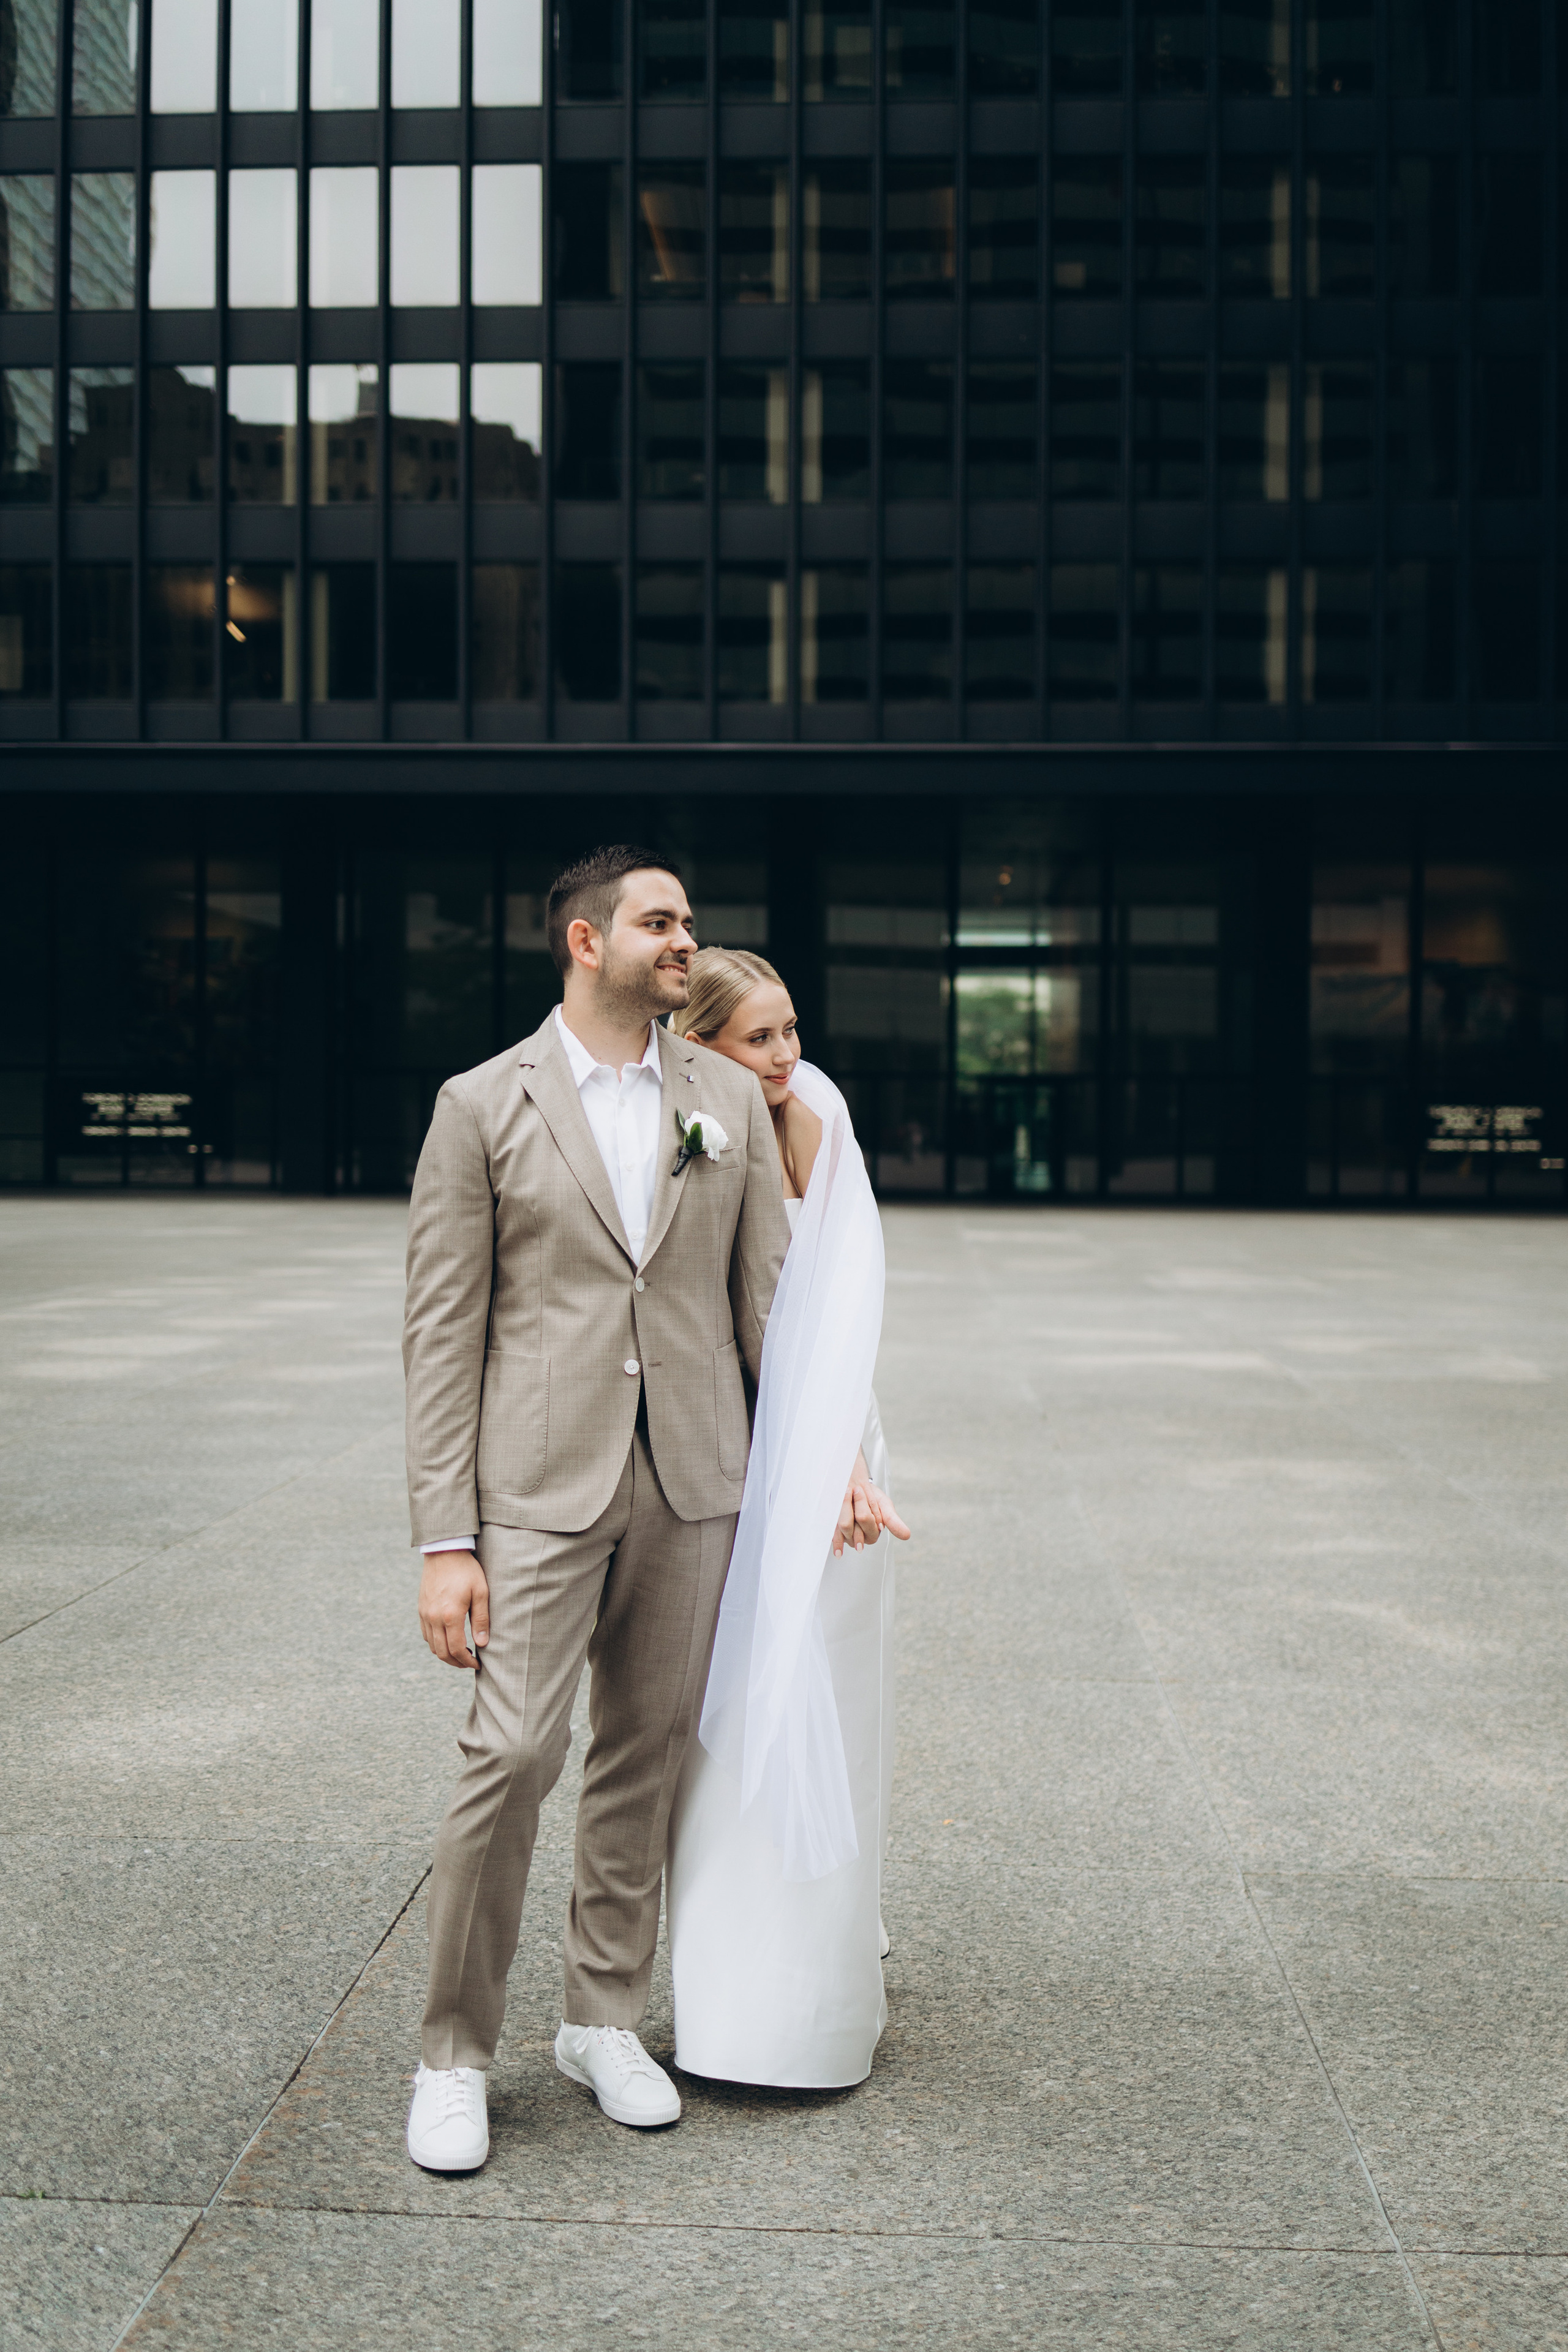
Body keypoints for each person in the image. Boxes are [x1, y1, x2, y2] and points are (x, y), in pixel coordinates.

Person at [399, 850, 880, 2170]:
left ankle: (600, 2018)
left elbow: (765, 1303)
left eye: (687, 924)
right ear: (582, 938)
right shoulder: (479, 1104)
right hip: (537, 1489)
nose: (684, 942)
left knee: (644, 1753)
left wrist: (831, 1456)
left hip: (695, 1482)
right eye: (658, 922)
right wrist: (447, 1540)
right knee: (508, 1758)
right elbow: (442, 1335)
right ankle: (453, 2054)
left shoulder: (721, 1092)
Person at [666, 948, 911, 2089]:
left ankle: (815, 2000)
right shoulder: (674, 1121)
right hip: (715, 1450)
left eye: (791, 1030)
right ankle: (724, 2006)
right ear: (701, 1042)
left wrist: (844, 1463)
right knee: (722, 1726)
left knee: (836, 1709)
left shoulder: (820, 1118)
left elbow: (840, 1309)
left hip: (830, 1450)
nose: (789, 1057)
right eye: (761, 1039)